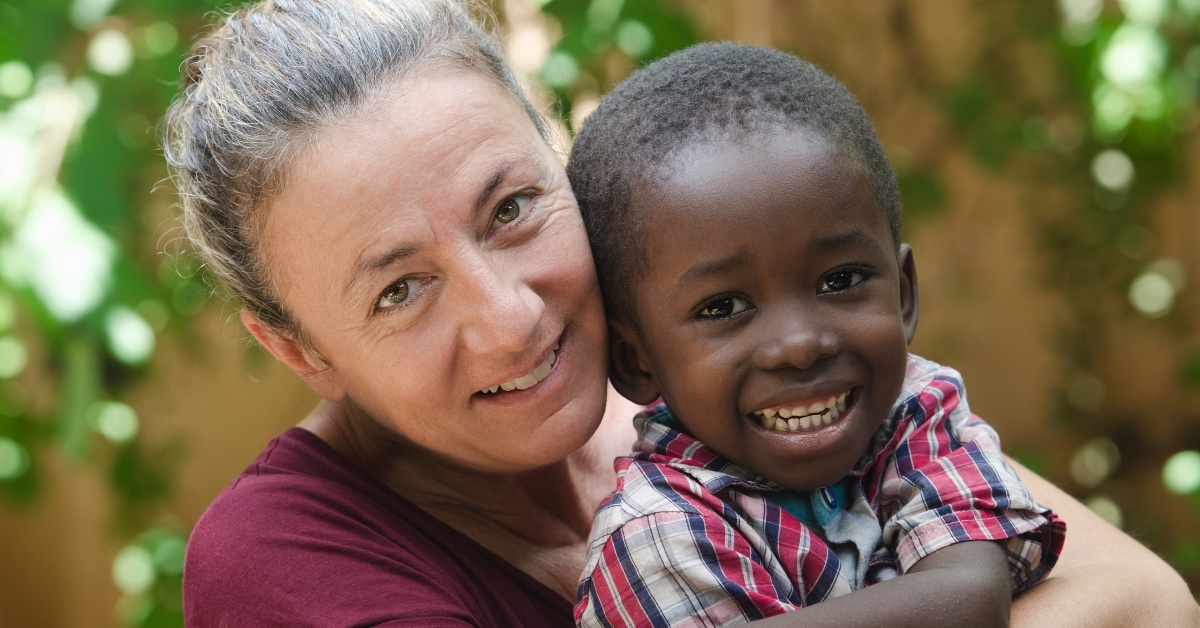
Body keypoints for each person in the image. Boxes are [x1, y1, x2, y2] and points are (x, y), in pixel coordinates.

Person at [162, 0, 1200, 626]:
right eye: (400, 288)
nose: (512, 318)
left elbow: (1148, 600)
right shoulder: (284, 559)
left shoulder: (705, 371)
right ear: (299, 350)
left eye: (513, 208)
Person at [568, 43, 1063, 628]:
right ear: (636, 360)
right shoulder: (658, 538)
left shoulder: (915, 413)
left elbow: (970, 598)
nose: (800, 344)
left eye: (840, 279)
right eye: (723, 306)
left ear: (903, 295)